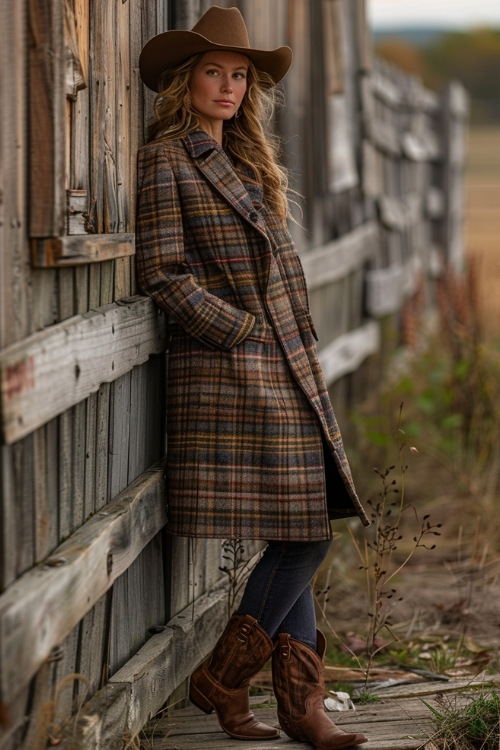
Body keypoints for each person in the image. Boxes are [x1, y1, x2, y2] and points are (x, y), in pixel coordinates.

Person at [136, 6, 369, 749]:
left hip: (284, 367)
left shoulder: (249, 159)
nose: (230, 86)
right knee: (304, 535)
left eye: (240, 75)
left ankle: (287, 709)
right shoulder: (167, 159)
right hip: (232, 372)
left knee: (300, 523)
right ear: (186, 79)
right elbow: (163, 273)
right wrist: (238, 331)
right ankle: (224, 680)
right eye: (216, 72)